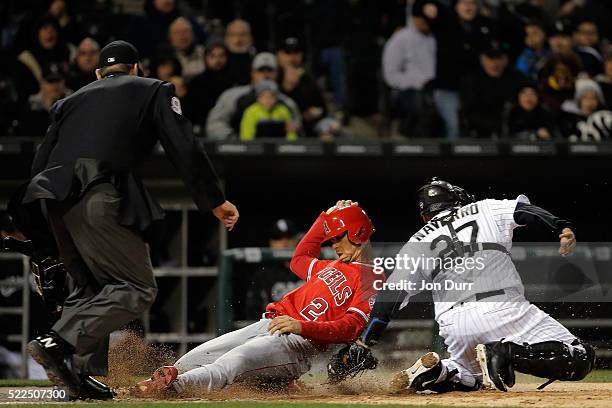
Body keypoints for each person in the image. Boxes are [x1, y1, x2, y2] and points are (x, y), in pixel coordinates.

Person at [22, 40, 239, 400]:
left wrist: (39, 227)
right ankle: (57, 342)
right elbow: (182, 146)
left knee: (89, 289)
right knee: (135, 287)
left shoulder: (68, 101)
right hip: (97, 192)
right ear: (137, 68)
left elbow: (39, 165)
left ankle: (78, 377)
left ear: (97, 73)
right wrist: (213, 200)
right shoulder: (154, 88)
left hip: (54, 201)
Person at [333, 178, 594, 393]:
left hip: (454, 325)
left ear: (426, 215)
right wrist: (560, 225)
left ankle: (440, 372)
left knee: (471, 376)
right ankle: (504, 353)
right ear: (456, 200)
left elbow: (389, 299)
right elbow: (524, 212)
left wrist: (366, 342)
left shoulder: (415, 242)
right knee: (581, 357)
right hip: (503, 308)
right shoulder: (485, 208)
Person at [137, 201, 378, 395]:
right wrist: (325, 218)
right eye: (332, 239)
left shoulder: (372, 277)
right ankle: (152, 384)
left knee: (232, 364)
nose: (334, 244)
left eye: (339, 237)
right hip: (269, 325)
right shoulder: (331, 265)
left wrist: (301, 326)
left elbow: (352, 327)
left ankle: (170, 387)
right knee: (194, 358)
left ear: (358, 232)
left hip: (299, 345)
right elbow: (299, 258)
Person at [206, 52, 302, 140]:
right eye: (261, 70)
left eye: (270, 70)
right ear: (252, 72)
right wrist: (234, 141)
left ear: (277, 73)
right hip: (237, 154)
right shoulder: (232, 96)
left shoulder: (287, 103)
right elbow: (214, 124)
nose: (265, 75)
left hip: (280, 154)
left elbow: (298, 132)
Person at [382, 0, 436, 137]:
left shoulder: (435, 37)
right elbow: (391, 75)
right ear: (414, 18)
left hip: (434, 88)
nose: (424, 23)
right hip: (407, 91)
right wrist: (417, 82)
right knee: (419, 106)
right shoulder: (400, 39)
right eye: (421, 19)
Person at [460, 42, 524, 138]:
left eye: (498, 58)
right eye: (490, 58)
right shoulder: (471, 80)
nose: (494, 63)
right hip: (481, 132)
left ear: (505, 60)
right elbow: (469, 111)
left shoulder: (517, 78)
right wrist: (495, 125)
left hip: (513, 129)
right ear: (482, 59)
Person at [184, 40, 233, 129]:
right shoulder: (196, 83)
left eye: (221, 56)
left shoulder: (233, 81)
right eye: (212, 56)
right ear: (205, 58)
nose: (217, 60)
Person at [14, 63, 72, 137]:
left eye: (58, 81)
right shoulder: (31, 106)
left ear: (64, 81)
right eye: (50, 81)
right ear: (42, 82)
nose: (55, 85)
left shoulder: (73, 102)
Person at [164, 17, 206, 83]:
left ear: (193, 34)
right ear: (170, 37)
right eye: (177, 32)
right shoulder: (165, 59)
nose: (182, 36)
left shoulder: (205, 53)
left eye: (186, 31)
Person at [225, 19, 256, 86]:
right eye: (233, 35)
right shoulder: (220, 59)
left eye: (243, 35)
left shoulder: (256, 59)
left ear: (250, 37)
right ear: (226, 38)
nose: (238, 39)